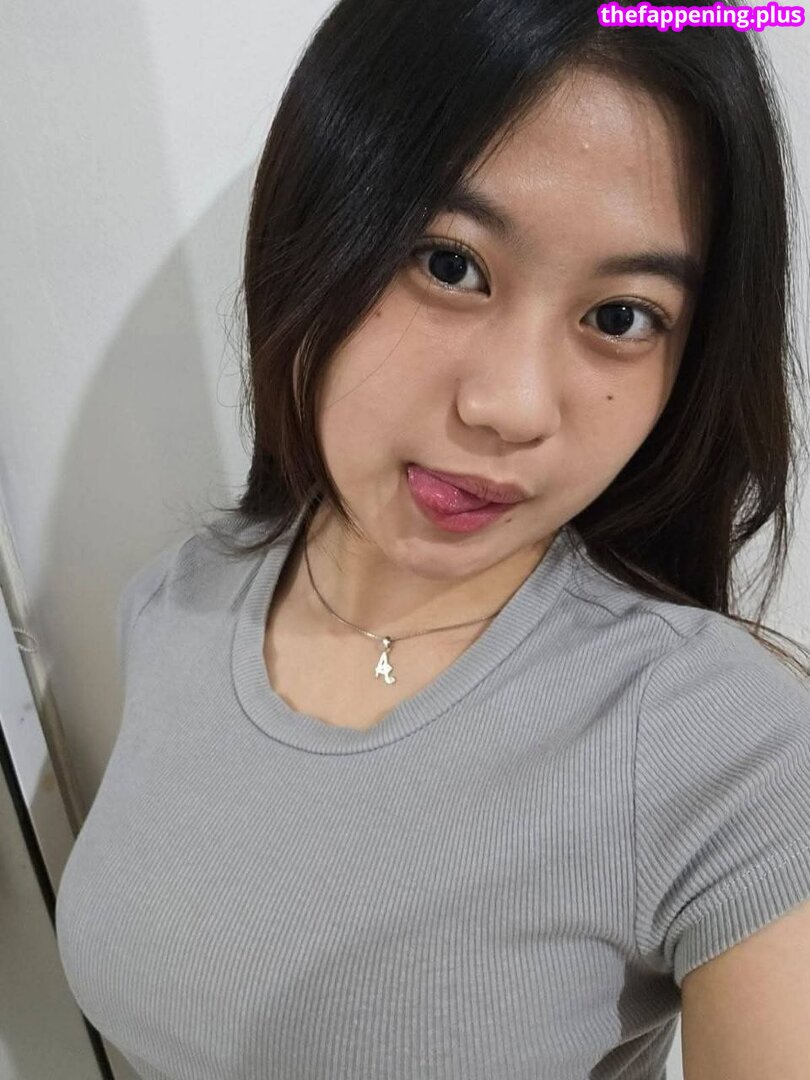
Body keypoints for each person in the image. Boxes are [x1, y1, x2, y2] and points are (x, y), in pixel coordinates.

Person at [55, 1, 810, 1077]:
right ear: (314, 227)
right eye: (449, 263)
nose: (511, 407)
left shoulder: (727, 744)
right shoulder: (182, 598)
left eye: (621, 317)